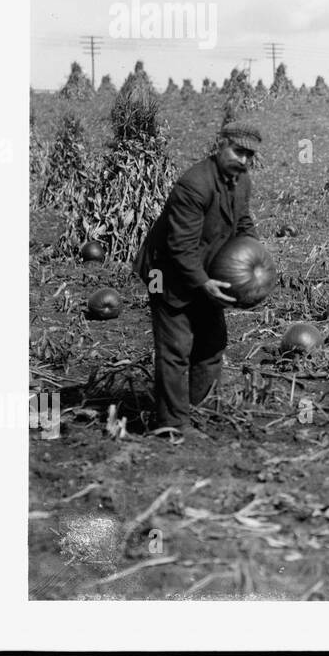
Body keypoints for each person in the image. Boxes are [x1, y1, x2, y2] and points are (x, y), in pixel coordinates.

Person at [133, 121, 261, 440]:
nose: (243, 159)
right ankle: (172, 424)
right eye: (238, 151)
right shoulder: (194, 184)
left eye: (249, 154)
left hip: (205, 269)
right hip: (164, 272)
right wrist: (204, 283)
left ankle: (201, 407)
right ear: (221, 145)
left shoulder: (241, 182)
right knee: (175, 347)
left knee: (212, 341)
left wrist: (254, 255)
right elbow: (180, 247)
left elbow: (243, 223)